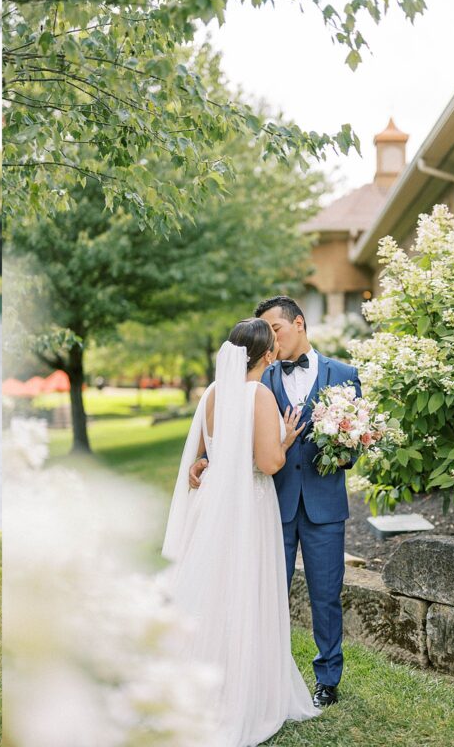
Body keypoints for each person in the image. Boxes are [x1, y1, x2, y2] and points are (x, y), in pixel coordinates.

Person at [190, 296, 361, 708]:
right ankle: (262, 677)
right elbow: (235, 430)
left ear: (299, 324)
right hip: (269, 504)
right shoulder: (258, 377)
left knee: (326, 596)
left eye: (276, 329)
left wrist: (343, 442)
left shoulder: (343, 374)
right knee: (264, 594)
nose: (272, 340)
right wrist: (205, 457)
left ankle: (327, 679)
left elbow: (355, 448)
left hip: (323, 505)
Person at [161, 319, 319, 746]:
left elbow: (204, 452)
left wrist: (201, 463)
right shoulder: (259, 395)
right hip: (248, 505)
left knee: (210, 592)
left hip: (210, 504)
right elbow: (268, 464)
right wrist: (285, 439)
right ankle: (240, 692)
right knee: (246, 591)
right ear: (267, 356)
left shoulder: (212, 394)